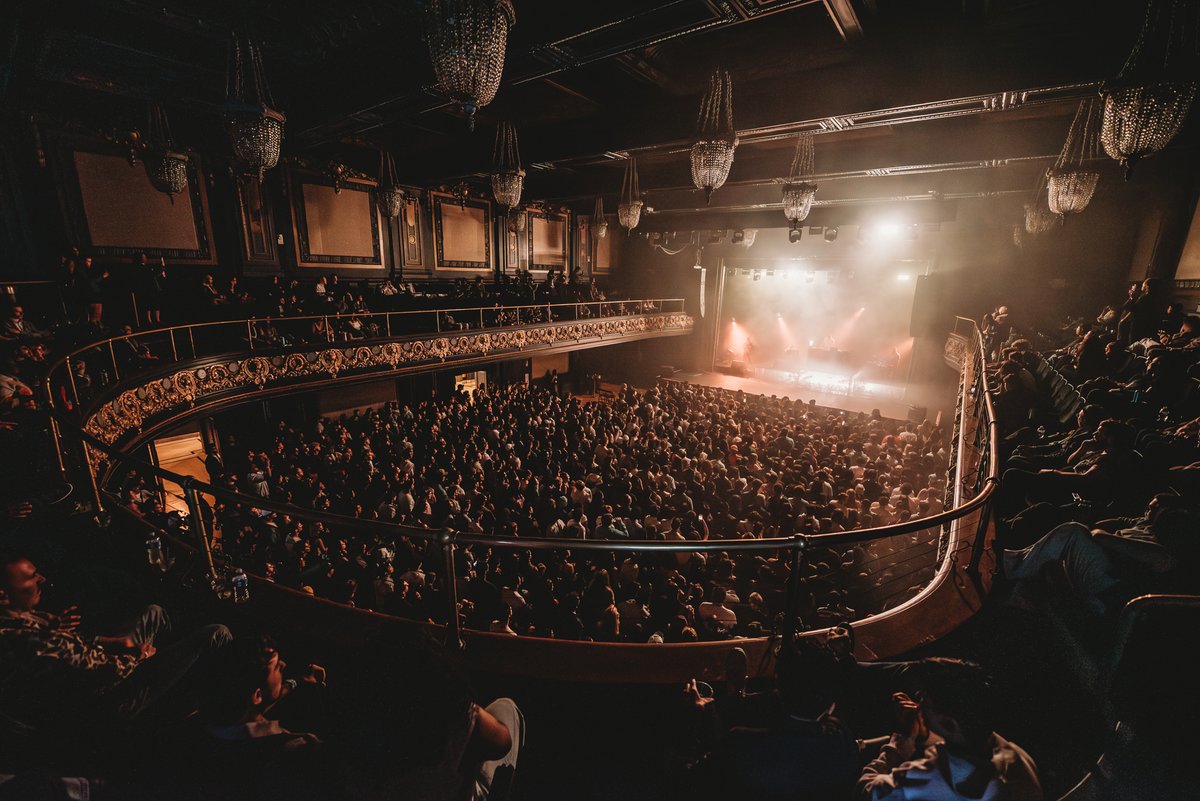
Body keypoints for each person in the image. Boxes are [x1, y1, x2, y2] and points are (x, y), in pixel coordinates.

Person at [0, 550, 231, 726]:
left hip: (102, 668)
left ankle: (178, 674)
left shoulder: (22, 620)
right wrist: (139, 654)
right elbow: (108, 670)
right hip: (111, 697)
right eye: (31, 577)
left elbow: (70, 648)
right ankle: (200, 705)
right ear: (3, 596)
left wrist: (106, 640)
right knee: (216, 633)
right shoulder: (30, 640)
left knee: (154, 612)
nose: (41, 579)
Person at [858, 658, 1042, 801]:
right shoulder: (1015, 755)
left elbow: (866, 792)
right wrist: (924, 736)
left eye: (924, 702)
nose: (918, 707)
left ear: (948, 724)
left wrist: (901, 742)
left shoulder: (933, 778)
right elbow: (963, 746)